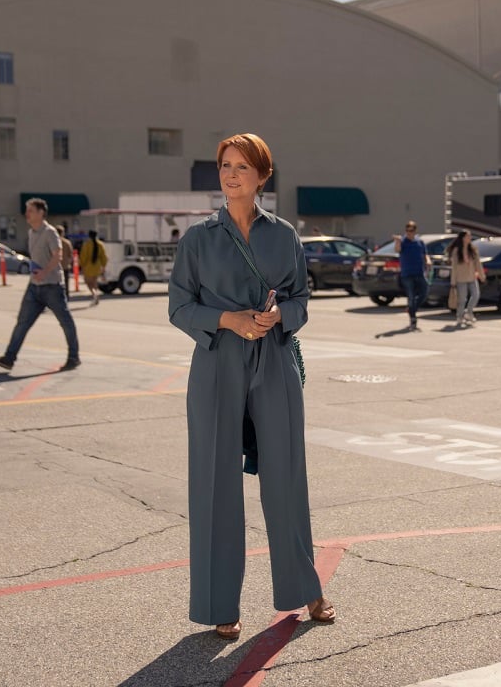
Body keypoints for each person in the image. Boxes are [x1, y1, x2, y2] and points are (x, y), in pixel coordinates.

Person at [168, 132, 334, 641]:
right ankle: (222, 604)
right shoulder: (198, 238)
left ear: (263, 175)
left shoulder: (284, 235)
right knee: (215, 483)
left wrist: (281, 313)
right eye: (224, 165)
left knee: (286, 476)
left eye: (242, 166)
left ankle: (304, 589)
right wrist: (228, 320)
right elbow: (179, 306)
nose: (231, 174)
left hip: (276, 360)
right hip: (218, 362)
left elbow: (303, 299)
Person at [0, 198, 80, 371]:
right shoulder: (31, 233)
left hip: (52, 286)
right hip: (34, 287)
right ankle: (9, 358)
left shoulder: (50, 232)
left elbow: (57, 255)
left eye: (30, 210)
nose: (26, 214)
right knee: (22, 322)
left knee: (65, 322)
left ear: (40, 213)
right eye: (26, 210)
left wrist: (45, 272)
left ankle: (74, 358)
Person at [393, 220, 431, 331]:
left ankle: (411, 309)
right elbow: (397, 250)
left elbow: (425, 254)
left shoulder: (420, 242)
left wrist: (428, 261)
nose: (409, 233)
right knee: (411, 296)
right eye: (408, 230)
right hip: (407, 274)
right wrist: (397, 242)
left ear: (415, 231)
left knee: (424, 292)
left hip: (419, 272)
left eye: (412, 230)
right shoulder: (403, 241)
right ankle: (413, 320)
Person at [448, 230, 486, 327]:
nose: (470, 238)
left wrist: (482, 276)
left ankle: (469, 312)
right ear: (463, 238)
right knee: (462, 299)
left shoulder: (473, 250)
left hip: (472, 277)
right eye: (468, 236)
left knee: (476, 295)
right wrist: (453, 282)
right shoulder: (457, 251)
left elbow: (478, 264)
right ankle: (459, 317)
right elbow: (454, 267)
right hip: (461, 279)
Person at [79, 229, 108, 306]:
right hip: (97, 266)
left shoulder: (87, 244)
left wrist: (82, 265)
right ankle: (95, 295)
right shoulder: (100, 244)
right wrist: (103, 266)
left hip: (88, 266)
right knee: (94, 282)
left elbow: (83, 257)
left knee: (88, 283)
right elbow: (104, 257)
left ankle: (94, 295)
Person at [57, 225, 74, 295]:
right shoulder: (67, 243)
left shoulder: (53, 242)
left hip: (55, 267)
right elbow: (71, 255)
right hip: (65, 266)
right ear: (62, 233)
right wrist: (69, 262)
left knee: (56, 284)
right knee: (66, 283)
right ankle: (66, 297)